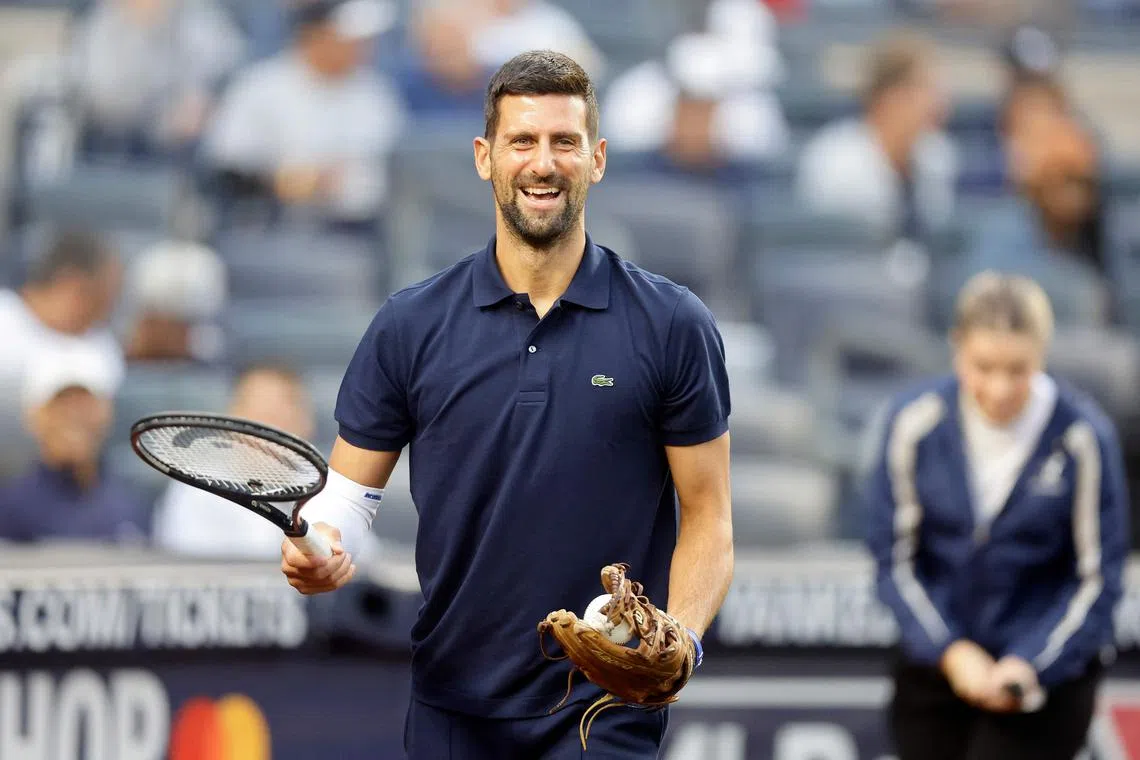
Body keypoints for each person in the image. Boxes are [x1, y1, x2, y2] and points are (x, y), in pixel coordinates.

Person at [280, 50, 733, 758]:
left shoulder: (673, 325)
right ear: (485, 157)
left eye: (564, 142)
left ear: (598, 158)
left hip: (604, 715)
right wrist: (324, 550)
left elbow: (708, 515)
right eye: (523, 141)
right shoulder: (411, 325)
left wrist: (683, 641)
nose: (543, 163)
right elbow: (348, 501)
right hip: (452, 710)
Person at [863, 271, 1128, 760]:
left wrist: (1029, 664)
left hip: (1043, 677)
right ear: (956, 348)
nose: (1000, 388)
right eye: (983, 367)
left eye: (1018, 369)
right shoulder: (913, 425)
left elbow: (1099, 579)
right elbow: (893, 561)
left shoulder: (1082, 438)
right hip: (934, 671)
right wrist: (950, 651)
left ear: (1042, 355)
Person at [202, 0, 406, 226]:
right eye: (350, 40)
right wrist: (279, 182)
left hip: (362, 229)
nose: (363, 48)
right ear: (314, 35)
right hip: (272, 226)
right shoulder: (259, 87)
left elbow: (395, 170)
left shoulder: (377, 93)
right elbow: (224, 171)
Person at [795, 30, 957, 241]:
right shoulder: (836, 159)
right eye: (925, 90)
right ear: (889, 95)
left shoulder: (938, 155)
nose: (938, 104)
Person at [152, 364, 318, 558]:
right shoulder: (196, 492)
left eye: (282, 417)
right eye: (261, 417)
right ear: (232, 421)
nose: (271, 435)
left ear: (307, 422)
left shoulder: (333, 491)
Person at [0, 230, 124, 480]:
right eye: (106, 292)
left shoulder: (104, 348)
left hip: (60, 489)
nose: (112, 304)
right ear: (72, 283)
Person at [0, 343, 147, 544]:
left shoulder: (131, 502)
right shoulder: (9, 508)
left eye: (86, 402)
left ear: (107, 413)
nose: (74, 414)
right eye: (60, 402)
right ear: (34, 417)